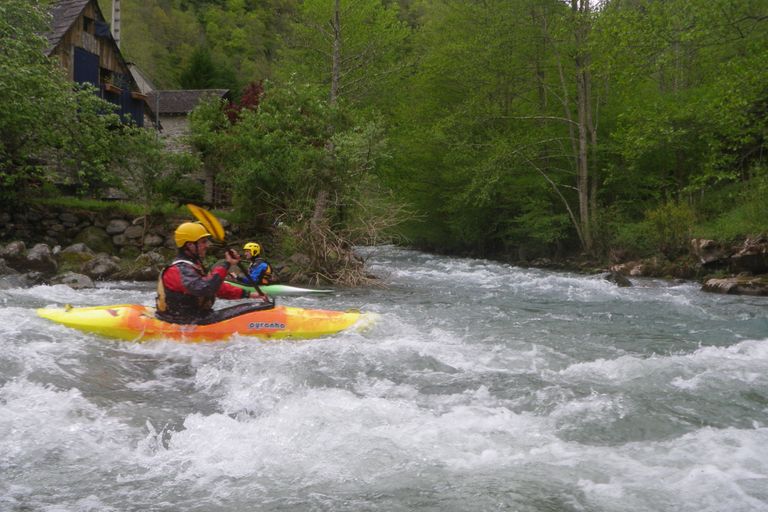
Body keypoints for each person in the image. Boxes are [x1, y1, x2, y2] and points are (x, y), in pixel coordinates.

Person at [155, 222, 270, 325]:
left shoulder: (192, 266)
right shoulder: (177, 270)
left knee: (250, 309)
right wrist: (226, 264)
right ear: (190, 245)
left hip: (196, 318)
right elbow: (205, 288)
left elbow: (217, 287)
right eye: (203, 242)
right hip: (179, 321)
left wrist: (248, 294)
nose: (207, 245)